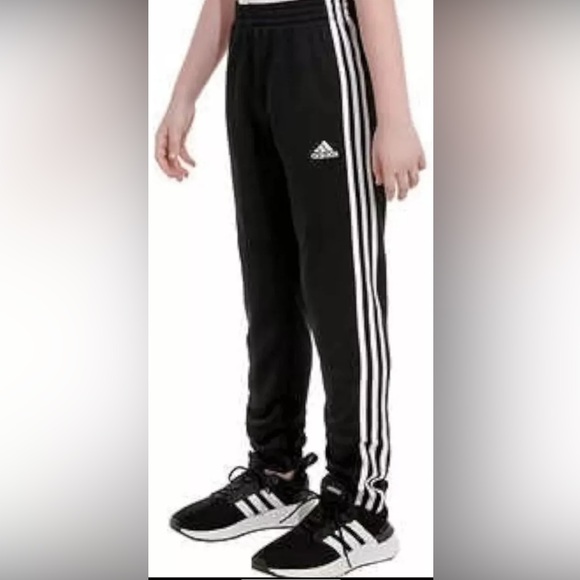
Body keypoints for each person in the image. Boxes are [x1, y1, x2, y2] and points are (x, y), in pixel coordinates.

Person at [155, 0, 426, 576]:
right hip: (252, 54)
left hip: (321, 48)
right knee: (268, 282)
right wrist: (183, 95)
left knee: (340, 293)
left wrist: (395, 117)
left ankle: (360, 503)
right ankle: (276, 471)